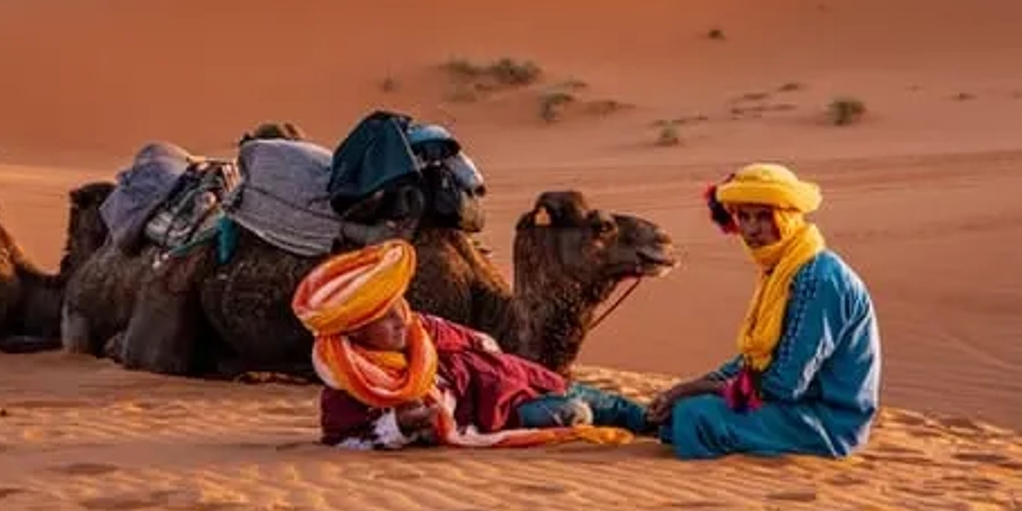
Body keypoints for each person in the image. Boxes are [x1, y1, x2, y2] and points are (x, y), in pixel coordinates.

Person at [290, 238, 650, 450]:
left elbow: (484, 344)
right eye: (385, 317)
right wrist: (402, 424)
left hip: (524, 378)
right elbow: (345, 440)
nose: (401, 320)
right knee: (575, 412)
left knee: (626, 410)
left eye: (401, 308)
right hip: (506, 412)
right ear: (355, 330)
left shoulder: (423, 331)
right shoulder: (352, 385)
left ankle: (663, 422)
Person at [648, 163, 881, 459]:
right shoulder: (781, 270)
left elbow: (785, 384)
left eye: (763, 217)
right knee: (677, 412)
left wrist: (694, 389)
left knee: (696, 416)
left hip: (826, 422)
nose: (751, 229)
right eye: (743, 217)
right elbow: (753, 362)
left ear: (788, 217)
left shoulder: (820, 279)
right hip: (792, 409)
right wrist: (683, 389)